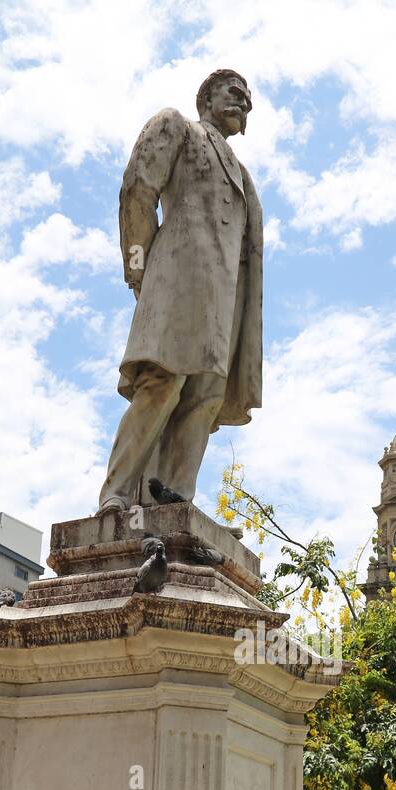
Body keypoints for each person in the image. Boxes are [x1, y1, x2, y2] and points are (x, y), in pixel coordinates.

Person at [99, 69, 263, 512]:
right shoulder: (177, 127)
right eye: (234, 92)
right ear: (206, 97)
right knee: (163, 382)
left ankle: (174, 501)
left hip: (224, 302)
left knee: (204, 397)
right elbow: (137, 188)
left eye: (248, 99)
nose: (243, 103)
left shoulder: (244, 175)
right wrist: (141, 269)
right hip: (174, 280)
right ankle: (116, 492)